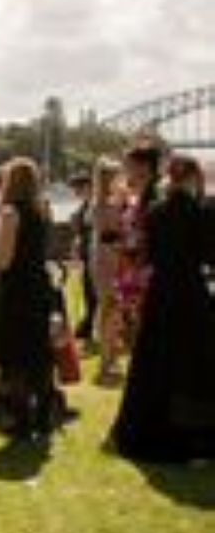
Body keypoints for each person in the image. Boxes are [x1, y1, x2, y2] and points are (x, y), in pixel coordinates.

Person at [112, 156, 215, 462]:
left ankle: (150, 428)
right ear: (193, 178)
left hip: (160, 293)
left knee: (154, 362)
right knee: (194, 363)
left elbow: (148, 256)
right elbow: (209, 255)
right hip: (191, 294)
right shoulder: (201, 212)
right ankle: (195, 435)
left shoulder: (155, 212)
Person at [0, 158, 56, 439]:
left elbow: (4, 261)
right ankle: (42, 416)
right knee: (38, 353)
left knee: (16, 355)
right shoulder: (42, 210)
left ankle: (20, 420)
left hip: (17, 289)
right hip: (39, 285)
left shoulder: (9, 213)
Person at [116, 143, 162, 347]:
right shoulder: (136, 197)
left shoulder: (156, 199)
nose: (125, 170)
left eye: (129, 165)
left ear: (144, 168)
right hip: (132, 269)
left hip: (146, 273)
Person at [89, 159, 124, 385]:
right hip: (105, 257)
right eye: (112, 176)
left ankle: (111, 354)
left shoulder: (116, 200)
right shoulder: (99, 203)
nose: (117, 180)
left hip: (116, 258)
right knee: (107, 306)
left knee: (115, 308)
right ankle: (105, 359)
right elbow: (106, 234)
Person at [68, 172, 96, 345]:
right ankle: (86, 326)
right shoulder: (86, 204)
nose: (76, 192)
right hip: (86, 251)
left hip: (93, 252)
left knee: (91, 292)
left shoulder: (93, 203)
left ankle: (86, 326)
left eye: (78, 188)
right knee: (88, 291)